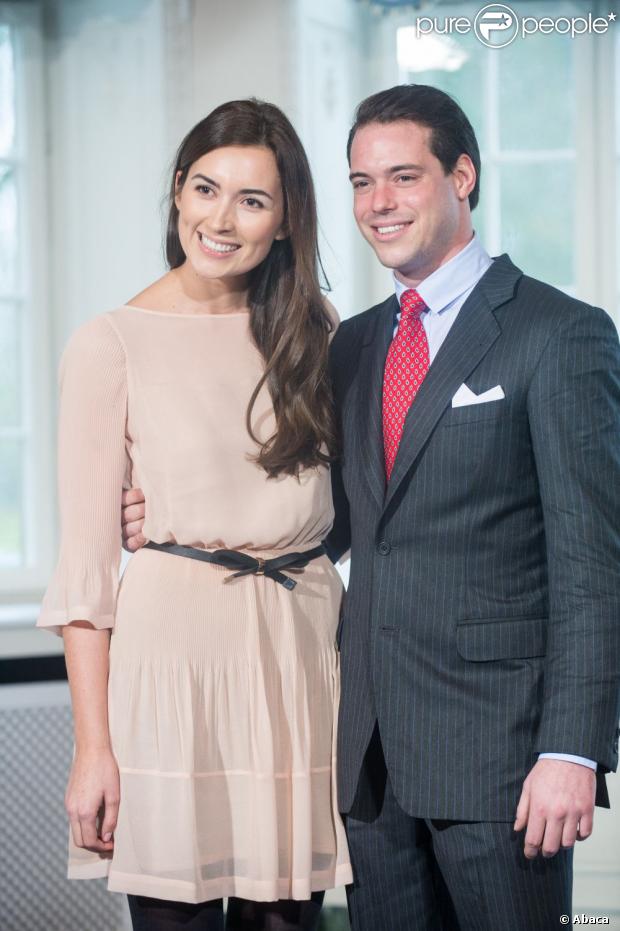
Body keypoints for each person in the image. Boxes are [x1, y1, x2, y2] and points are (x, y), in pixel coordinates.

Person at [123, 85, 620, 930]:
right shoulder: (352, 342)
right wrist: (168, 519)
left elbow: (594, 565)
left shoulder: (558, 333)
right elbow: (329, 520)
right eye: (360, 182)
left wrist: (570, 750)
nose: (378, 203)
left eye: (402, 177)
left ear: (462, 176)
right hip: (366, 766)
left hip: (499, 763)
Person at [37, 98, 352, 931]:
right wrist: (93, 749)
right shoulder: (112, 342)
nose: (222, 219)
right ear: (177, 191)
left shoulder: (314, 330)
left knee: (287, 921)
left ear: (287, 221)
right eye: (206, 189)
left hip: (298, 655)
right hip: (175, 660)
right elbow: (85, 573)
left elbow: (346, 507)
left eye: (253, 200)